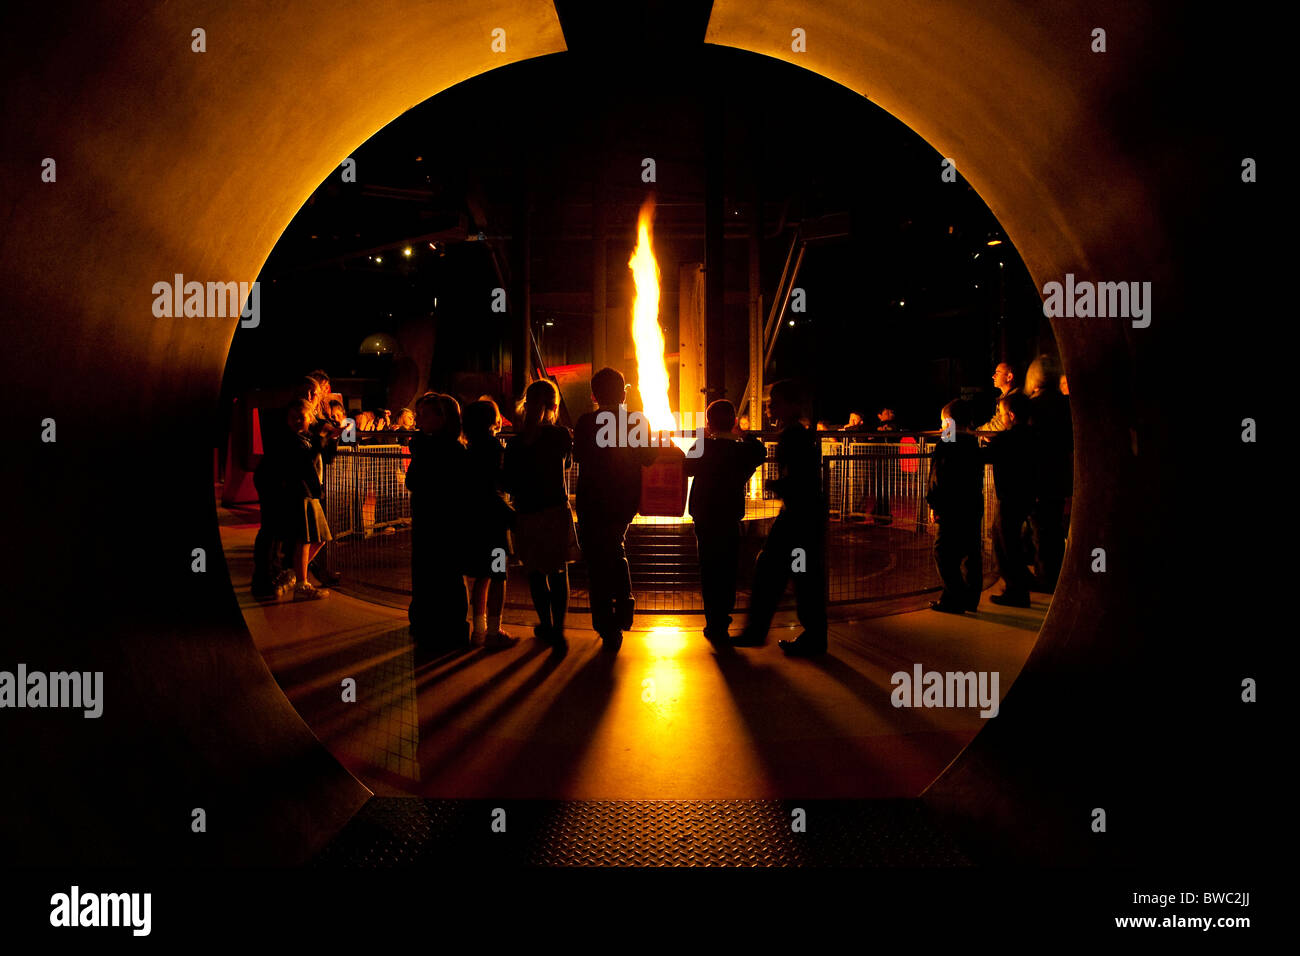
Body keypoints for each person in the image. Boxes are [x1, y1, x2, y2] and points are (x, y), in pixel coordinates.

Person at [733, 380, 828, 656]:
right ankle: (810, 636)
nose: (769, 406)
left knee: (776, 570)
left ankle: (758, 631)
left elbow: (800, 479)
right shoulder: (797, 434)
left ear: (791, 404)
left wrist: (776, 486)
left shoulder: (792, 436)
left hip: (798, 518)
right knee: (798, 574)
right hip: (802, 516)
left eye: (774, 401)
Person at [571, 367, 663, 649]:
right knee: (615, 545)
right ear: (624, 394)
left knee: (597, 561)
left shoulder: (587, 422)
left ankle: (606, 623)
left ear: (593, 395)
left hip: (591, 500)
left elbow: (579, 456)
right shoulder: (638, 421)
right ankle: (624, 602)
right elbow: (648, 458)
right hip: (624, 499)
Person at [683, 400, 767, 642]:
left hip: (704, 513)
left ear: (708, 423)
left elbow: (687, 468)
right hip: (729, 513)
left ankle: (714, 621)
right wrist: (745, 435)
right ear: (733, 423)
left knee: (708, 567)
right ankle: (725, 614)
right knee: (728, 567)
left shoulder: (702, 445)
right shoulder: (741, 451)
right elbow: (760, 452)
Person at [503, 379, 577, 648]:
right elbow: (567, 464)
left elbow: (507, 482)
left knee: (535, 572)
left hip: (526, 511)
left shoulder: (515, 444)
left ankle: (544, 623)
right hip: (555, 509)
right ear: (554, 405)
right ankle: (558, 628)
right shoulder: (560, 436)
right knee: (559, 572)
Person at [405, 392, 471, 648]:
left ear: (441, 417)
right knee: (448, 574)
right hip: (444, 521)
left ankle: (429, 621)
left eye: (423, 414)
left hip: (433, 520)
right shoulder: (455, 448)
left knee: (431, 572)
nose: (418, 420)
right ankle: (451, 625)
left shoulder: (429, 448)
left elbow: (414, 481)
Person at [462, 399, 516, 649]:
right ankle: (494, 631)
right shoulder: (494, 446)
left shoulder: (468, 447)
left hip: (473, 522)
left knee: (482, 577)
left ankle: (478, 630)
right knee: (498, 575)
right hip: (494, 525)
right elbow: (500, 483)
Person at [926, 399, 984, 614]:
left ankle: (954, 598)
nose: (941, 427)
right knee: (971, 553)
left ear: (949, 421)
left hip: (950, 508)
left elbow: (938, 478)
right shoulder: (972, 444)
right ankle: (970, 599)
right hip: (972, 506)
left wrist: (934, 504)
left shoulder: (946, 445)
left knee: (942, 552)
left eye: (943, 422)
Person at [981, 390, 1035, 607]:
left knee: (1005, 543)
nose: (1001, 418)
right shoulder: (1032, 435)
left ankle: (1016, 591)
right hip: (1027, 495)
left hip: (1009, 497)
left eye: (1002, 414)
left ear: (1011, 415)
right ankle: (1020, 585)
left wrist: (954, 436)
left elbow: (984, 457)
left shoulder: (1007, 438)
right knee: (1012, 541)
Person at [1024, 355, 1072, 593]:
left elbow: (1028, 443)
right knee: (1053, 529)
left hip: (1038, 476)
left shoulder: (1033, 406)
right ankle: (1055, 574)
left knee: (1041, 530)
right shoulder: (1066, 405)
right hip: (1059, 475)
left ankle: (1046, 578)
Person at [283, 399, 333, 600]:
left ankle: (294, 573)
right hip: (301, 493)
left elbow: (325, 457)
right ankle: (302, 583)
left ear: (309, 419)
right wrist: (322, 438)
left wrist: (331, 438)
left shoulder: (306, 438)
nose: (296, 420)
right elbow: (307, 462)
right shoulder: (292, 441)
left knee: (319, 539)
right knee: (305, 539)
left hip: (310, 493)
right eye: (292, 417)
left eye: (300, 417)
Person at [977, 362, 1020, 434]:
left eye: (998, 373)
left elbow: (1001, 424)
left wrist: (978, 431)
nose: (993, 376)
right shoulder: (1004, 397)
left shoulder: (1015, 399)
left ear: (1009, 377)